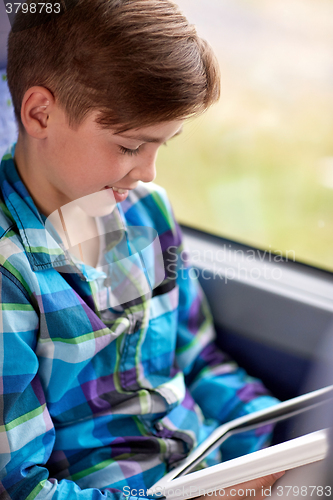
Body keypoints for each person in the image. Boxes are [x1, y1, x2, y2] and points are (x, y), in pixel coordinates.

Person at [0, 0, 283, 498]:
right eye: (130, 146)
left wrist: (276, 440)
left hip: (205, 462)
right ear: (40, 113)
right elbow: (24, 488)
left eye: (163, 146)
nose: (148, 173)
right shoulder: (10, 273)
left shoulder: (146, 212)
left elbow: (198, 358)